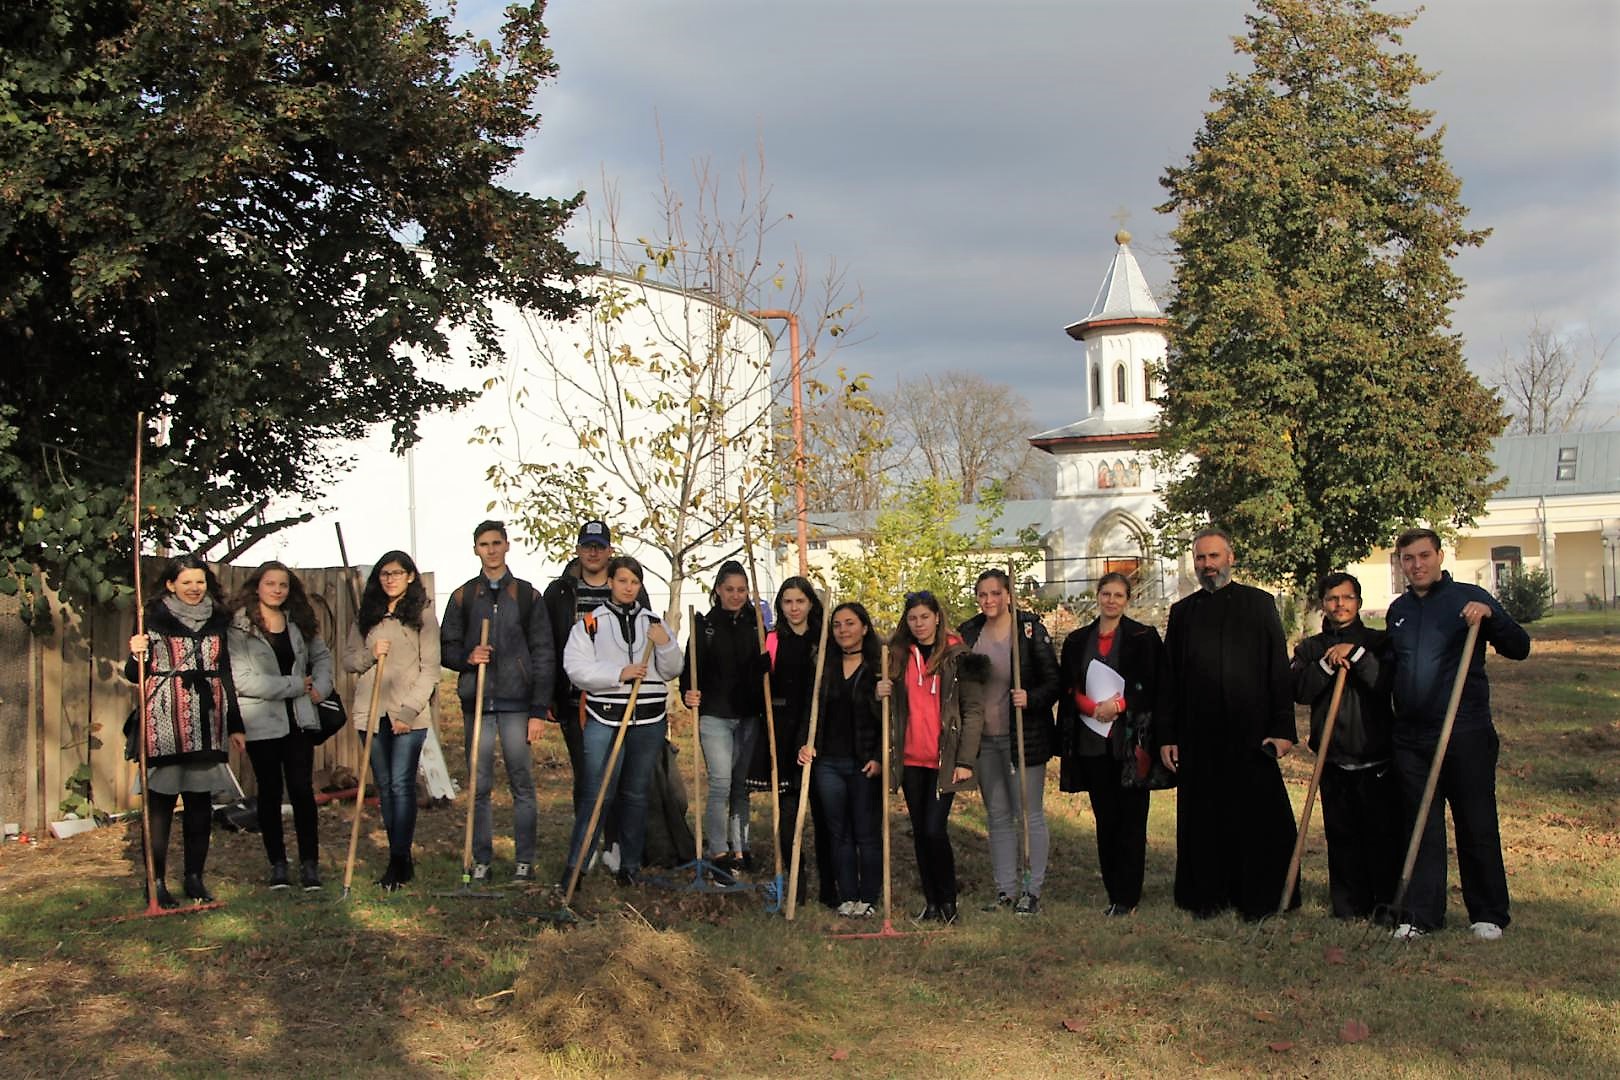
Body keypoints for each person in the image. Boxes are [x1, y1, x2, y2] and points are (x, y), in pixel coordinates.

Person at [1386, 528, 1530, 941]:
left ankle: (1487, 913)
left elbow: (1520, 647)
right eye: (1408, 558)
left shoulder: (1470, 599)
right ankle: (1420, 915)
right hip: (1412, 738)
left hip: (1464, 732)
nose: (1417, 565)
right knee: (1420, 826)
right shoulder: (1399, 610)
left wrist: (1491, 617)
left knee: (1475, 822)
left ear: (1440, 556)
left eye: (1424, 556)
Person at [1158, 529, 1299, 920]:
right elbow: (1170, 678)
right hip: (1198, 734)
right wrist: (1167, 735)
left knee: (1257, 818)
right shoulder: (1183, 613)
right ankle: (1206, 896)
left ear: (1231, 557)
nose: (1208, 565)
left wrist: (1284, 730)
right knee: (1204, 820)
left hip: (1251, 734)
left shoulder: (1259, 604)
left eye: (1214, 556)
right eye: (1201, 558)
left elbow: (1277, 671)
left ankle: (1261, 897)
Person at [125, 555, 245, 907]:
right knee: (161, 802)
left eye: (200, 582)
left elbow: (225, 673)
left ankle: (195, 878)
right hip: (164, 718)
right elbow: (134, 675)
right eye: (187, 582)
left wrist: (235, 723)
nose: (194, 589)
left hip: (208, 720)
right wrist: (135, 655)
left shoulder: (219, 619)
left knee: (198, 803)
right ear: (170, 585)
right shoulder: (152, 616)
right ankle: (156, 882)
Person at [440, 520, 555, 883]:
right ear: (475, 549)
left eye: (496, 543)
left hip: (517, 704)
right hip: (477, 703)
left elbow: (543, 654)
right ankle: (482, 859)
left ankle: (524, 860)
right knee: (480, 784)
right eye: (483, 544)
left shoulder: (526, 596)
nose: (490, 550)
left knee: (521, 782)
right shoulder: (462, 596)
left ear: (507, 546)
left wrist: (538, 710)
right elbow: (446, 647)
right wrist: (468, 658)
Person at [562, 556, 683, 883]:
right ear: (611, 582)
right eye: (622, 581)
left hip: (647, 719)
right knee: (598, 793)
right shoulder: (591, 623)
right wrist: (620, 673)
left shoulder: (654, 622)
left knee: (637, 793)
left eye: (634, 582)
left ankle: (629, 866)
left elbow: (673, 669)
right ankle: (577, 866)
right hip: (606, 718)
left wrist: (666, 645)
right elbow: (576, 668)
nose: (629, 587)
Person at [1290, 571, 1403, 921]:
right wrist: (1326, 664)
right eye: (1333, 598)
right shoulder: (1309, 648)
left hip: (1376, 756)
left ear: (1359, 602)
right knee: (1341, 834)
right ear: (1323, 604)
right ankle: (1348, 905)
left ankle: (1384, 904)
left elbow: (1385, 684)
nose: (1340, 604)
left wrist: (1355, 656)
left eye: (1347, 597)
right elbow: (1299, 691)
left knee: (1381, 835)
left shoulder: (1379, 642)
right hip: (1333, 756)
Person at [1058, 571, 1168, 916]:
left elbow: (1154, 685)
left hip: (1130, 742)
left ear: (1128, 599)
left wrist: (1120, 705)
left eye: (1118, 595)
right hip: (1092, 743)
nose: (1111, 601)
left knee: (1132, 820)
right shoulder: (1077, 640)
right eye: (1106, 594)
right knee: (1106, 820)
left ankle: (1129, 896)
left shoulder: (1143, 637)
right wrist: (1089, 706)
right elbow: (1068, 685)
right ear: (1098, 596)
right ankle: (1113, 891)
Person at [877, 590, 987, 924]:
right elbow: (886, 707)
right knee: (920, 832)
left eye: (925, 617)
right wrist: (879, 690)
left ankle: (949, 902)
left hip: (944, 758)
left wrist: (965, 760)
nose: (919, 624)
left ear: (937, 617)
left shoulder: (959, 655)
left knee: (934, 830)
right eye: (913, 618)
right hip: (910, 758)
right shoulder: (895, 655)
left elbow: (973, 710)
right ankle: (932, 903)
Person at [958, 568, 1059, 915]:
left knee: (1028, 815)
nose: (988, 600)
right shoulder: (970, 633)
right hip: (985, 739)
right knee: (998, 815)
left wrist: (1031, 698)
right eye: (982, 595)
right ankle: (1005, 891)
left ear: (1008, 595)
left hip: (1023, 738)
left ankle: (1032, 890)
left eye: (995, 594)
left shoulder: (1028, 631)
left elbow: (1054, 682)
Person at [228, 561, 334, 891]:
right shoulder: (240, 628)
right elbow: (242, 680)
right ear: (257, 586)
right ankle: (277, 864)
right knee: (270, 793)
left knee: (302, 791)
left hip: (300, 719)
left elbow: (323, 658)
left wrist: (322, 686)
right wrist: (291, 685)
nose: (277, 590)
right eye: (270, 583)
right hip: (261, 721)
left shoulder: (299, 623)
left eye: (283, 585)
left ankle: (309, 865)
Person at [346, 551, 441, 890]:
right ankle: (399, 858)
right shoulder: (367, 616)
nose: (390, 579)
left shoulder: (423, 616)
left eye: (397, 573)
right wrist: (370, 654)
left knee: (402, 786)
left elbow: (430, 669)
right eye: (384, 574)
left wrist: (407, 712)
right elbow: (349, 660)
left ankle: (398, 860)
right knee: (385, 787)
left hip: (407, 715)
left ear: (410, 576)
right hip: (369, 713)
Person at [544, 520, 639, 815]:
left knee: (619, 773)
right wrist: (547, 694)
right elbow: (547, 644)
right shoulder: (560, 592)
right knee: (587, 773)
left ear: (610, 551)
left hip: (619, 697)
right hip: (576, 700)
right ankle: (588, 838)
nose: (593, 553)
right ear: (578, 550)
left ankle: (613, 842)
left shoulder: (625, 587)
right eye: (588, 547)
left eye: (599, 547)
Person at [796, 602, 884, 917]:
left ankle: (869, 897)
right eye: (837, 625)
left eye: (849, 623)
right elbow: (811, 711)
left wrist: (878, 757)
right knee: (839, 832)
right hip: (828, 763)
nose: (843, 630)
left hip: (863, 763)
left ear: (864, 627)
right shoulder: (824, 666)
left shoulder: (878, 667)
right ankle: (847, 896)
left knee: (866, 832)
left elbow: (888, 721)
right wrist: (806, 745)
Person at [681, 561, 766, 873]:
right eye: (730, 589)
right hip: (715, 715)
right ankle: (718, 850)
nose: (736, 595)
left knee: (741, 786)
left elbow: (762, 670)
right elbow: (690, 672)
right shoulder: (705, 626)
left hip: (748, 716)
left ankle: (740, 847)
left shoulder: (756, 625)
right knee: (721, 782)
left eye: (742, 590)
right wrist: (688, 693)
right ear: (718, 590)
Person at [759, 577, 835, 904]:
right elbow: (758, 692)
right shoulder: (773, 640)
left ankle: (831, 888)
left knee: (825, 814)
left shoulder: (824, 640)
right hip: (783, 735)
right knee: (788, 818)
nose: (794, 608)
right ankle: (795, 887)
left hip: (820, 733)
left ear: (810, 604)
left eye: (800, 602)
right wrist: (758, 669)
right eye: (787, 602)